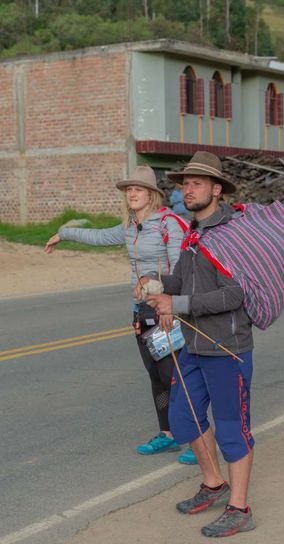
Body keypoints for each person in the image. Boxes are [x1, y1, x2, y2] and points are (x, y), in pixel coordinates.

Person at [135, 151, 256, 537]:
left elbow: (235, 294)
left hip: (227, 349)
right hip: (194, 347)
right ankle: (213, 483)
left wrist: (178, 304)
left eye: (197, 183)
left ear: (216, 189)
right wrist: (156, 286)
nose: (188, 189)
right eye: (185, 183)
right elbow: (181, 282)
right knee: (184, 419)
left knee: (232, 429)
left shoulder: (232, 234)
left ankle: (240, 508)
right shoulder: (193, 233)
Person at [45, 165, 197, 465]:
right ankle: (167, 434)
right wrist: (63, 233)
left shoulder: (169, 223)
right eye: (129, 190)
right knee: (156, 377)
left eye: (138, 189)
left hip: (166, 308)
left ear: (152, 194)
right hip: (141, 311)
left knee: (175, 376)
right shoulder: (130, 226)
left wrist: (171, 305)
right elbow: (99, 236)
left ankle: (196, 438)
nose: (132, 193)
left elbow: (181, 269)